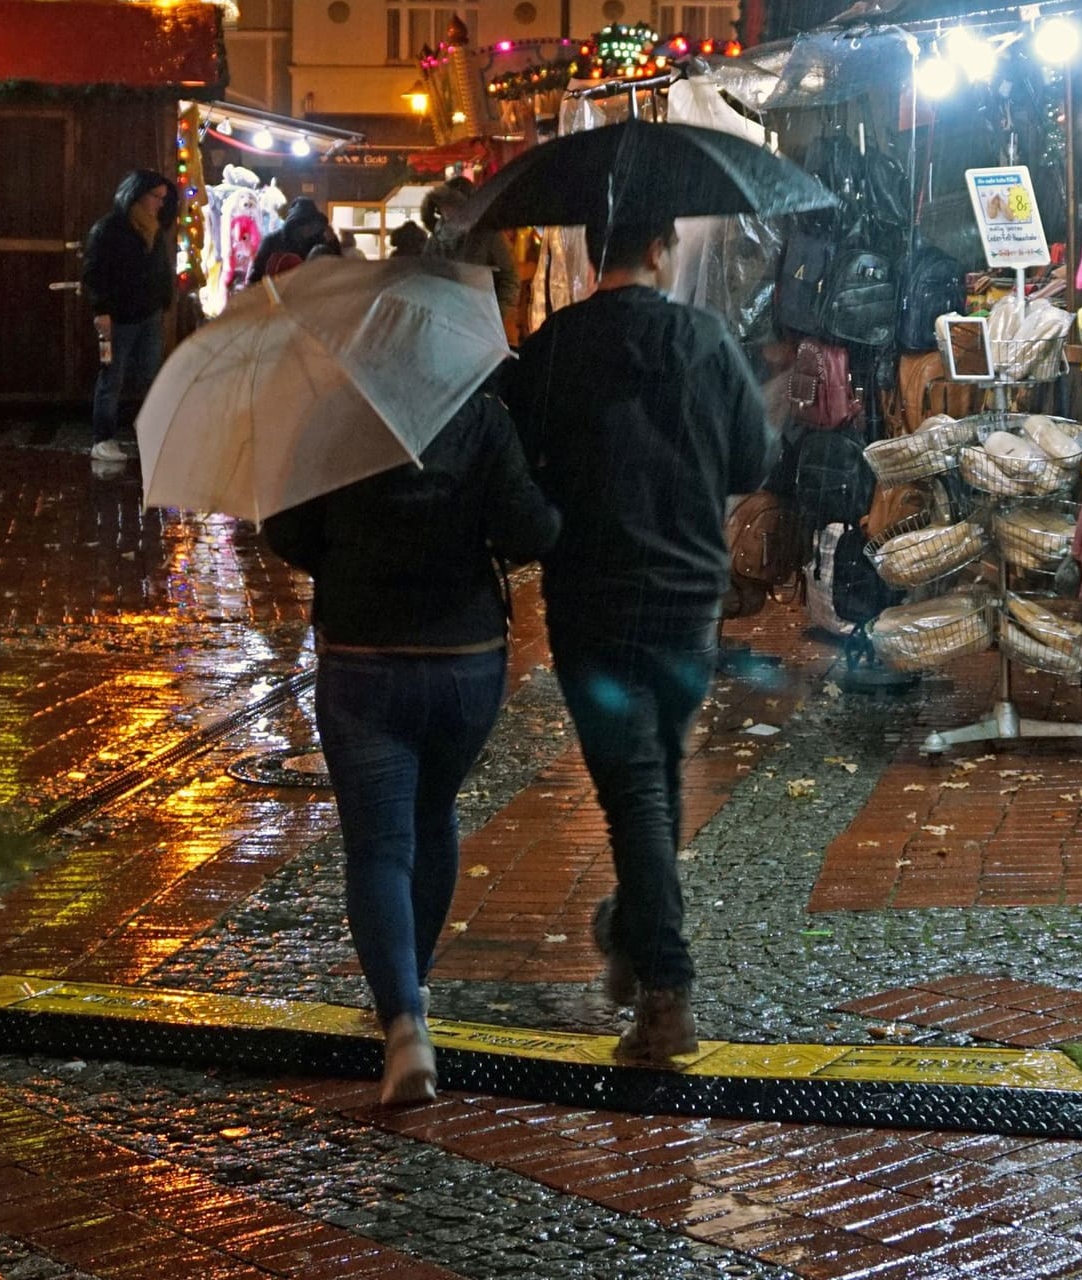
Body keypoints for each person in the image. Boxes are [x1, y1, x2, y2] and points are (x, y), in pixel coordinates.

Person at [501, 218, 775, 1065]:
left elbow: (518, 473)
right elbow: (751, 463)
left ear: (589, 254)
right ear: (661, 250)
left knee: (638, 791)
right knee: (651, 774)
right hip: (690, 599)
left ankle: (665, 990)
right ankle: (631, 930)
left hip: (593, 599)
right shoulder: (703, 337)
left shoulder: (551, 350)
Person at [263, 387, 560, 1105]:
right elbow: (529, 529)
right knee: (432, 814)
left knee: (378, 844)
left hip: (363, 655)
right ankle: (411, 986)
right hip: (465, 657)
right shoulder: (483, 415)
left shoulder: (331, 414)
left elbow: (286, 529)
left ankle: (402, 1024)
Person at [82, 169, 179, 464]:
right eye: (156, 197)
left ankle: (151, 433)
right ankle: (103, 438)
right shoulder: (109, 230)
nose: (161, 204)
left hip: (148, 314)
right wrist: (101, 310)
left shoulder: (154, 231)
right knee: (112, 377)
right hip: (119, 317)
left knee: (150, 375)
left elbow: (160, 270)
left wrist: (163, 300)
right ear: (139, 197)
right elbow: (94, 273)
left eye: (164, 198)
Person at [422, 177, 522, 342]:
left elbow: (509, 278)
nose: (447, 212)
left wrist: (494, 317)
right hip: (444, 328)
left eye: (453, 206)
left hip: (481, 329)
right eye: (444, 206)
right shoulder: (435, 239)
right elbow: (425, 279)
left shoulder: (488, 236)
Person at [249, 197, 339, 283]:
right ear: (295, 224)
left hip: (313, 294)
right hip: (276, 294)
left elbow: (338, 266)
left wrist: (333, 241)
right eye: (303, 223)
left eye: (312, 223)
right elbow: (256, 274)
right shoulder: (272, 241)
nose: (308, 228)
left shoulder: (320, 241)